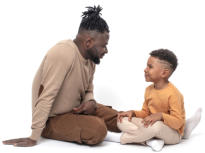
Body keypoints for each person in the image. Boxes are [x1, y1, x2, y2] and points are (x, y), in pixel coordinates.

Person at [2, 5, 120, 147]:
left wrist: (90, 102)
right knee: (97, 129)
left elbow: (89, 89)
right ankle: (116, 136)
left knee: (118, 117)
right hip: (52, 120)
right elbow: (46, 95)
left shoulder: (91, 59)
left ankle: (148, 133)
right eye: (103, 45)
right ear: (88, 42)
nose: (106, 50)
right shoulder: (63, 52)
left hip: (76, 110)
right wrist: (34, 136)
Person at [115, 49, 202, 151]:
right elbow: (145, 113)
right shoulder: (149, 90)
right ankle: (150, 141)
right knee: (122, 121)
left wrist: (160, 116)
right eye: (147, 66)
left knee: (157, 127)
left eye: (150, 66)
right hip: (150, 127)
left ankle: (120, 138)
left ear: (164, 73)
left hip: (171, 133)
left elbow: (178, 122)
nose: (145, 69)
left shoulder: (174, 94)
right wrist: (133, 113)